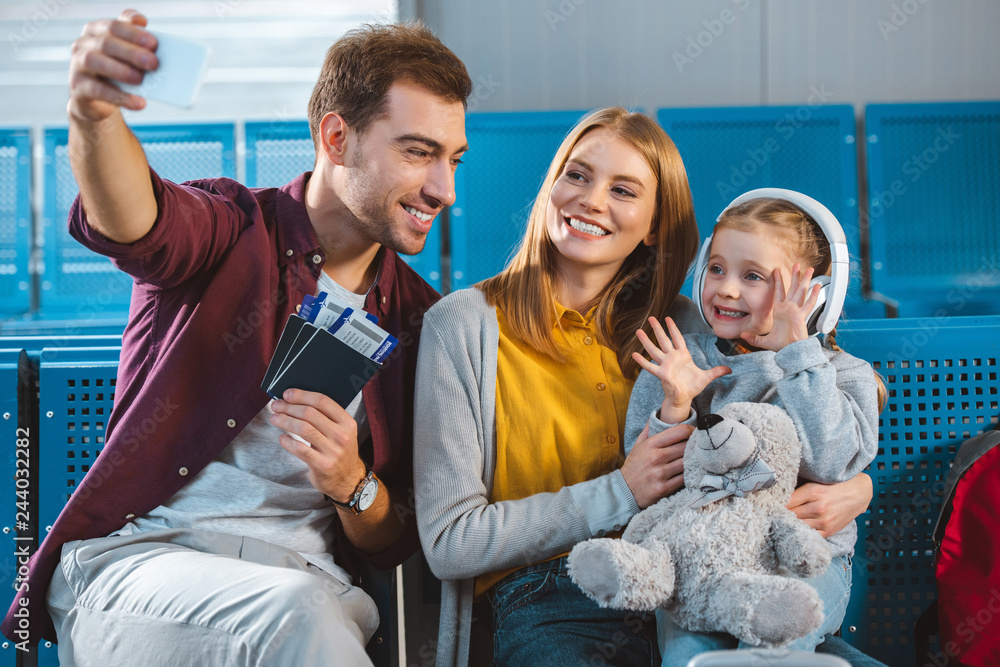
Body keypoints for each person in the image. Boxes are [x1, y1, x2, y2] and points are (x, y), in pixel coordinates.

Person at [1, 10, 471, 665]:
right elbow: (136, 217)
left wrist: (350, 481)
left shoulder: (420, 318)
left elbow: (390, 538)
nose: (443, 188)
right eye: (418, 152)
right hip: (144, 572)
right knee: (295, 617)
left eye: (452, 159)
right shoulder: (232, 230)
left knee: (303, 613)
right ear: (338, 138)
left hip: (313, 594)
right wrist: (94, 118)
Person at [413, 110, 874, 667]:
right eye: (576, 175)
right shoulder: (466, 327)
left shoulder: (692, 324)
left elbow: (805, 390)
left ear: (655, 225)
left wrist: (854, 488)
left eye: (623, 190)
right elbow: (452, 543)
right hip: (553, 595)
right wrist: (622, 490)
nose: (590, 200)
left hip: (706, 579)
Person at [624, 193, 882, 663]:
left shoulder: (841, 373)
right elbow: (650, 485)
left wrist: (797, 354)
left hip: (799, 557)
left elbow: (829, 462)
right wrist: (676, 404)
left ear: (816, 296)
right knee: (689, 658)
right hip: (701, 559)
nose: (725, 289)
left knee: (771, 644)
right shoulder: (687, 360)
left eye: (754, 277)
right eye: (717, 269)